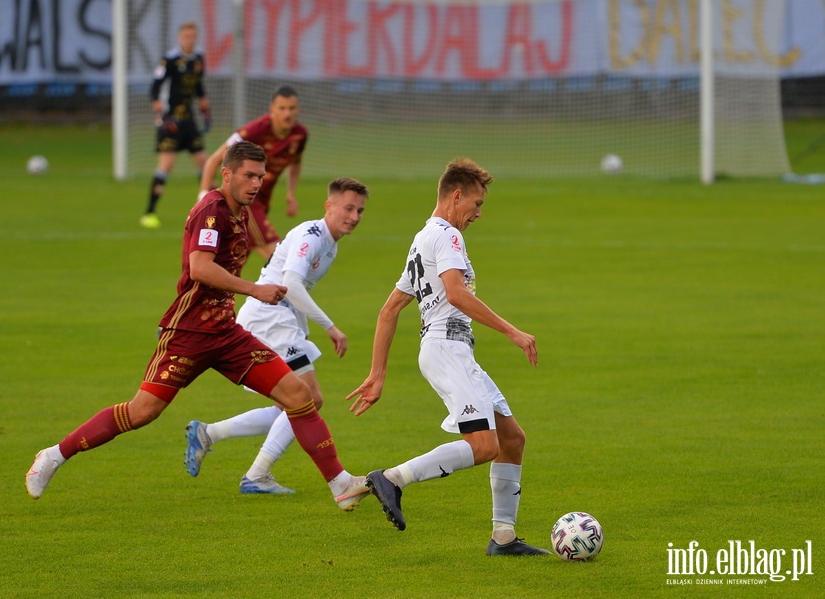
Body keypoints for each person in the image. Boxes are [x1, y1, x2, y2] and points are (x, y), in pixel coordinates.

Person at [27, 142, 370, 513]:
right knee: (142, 412)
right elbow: (200, 268)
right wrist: (256, 289)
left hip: (227, 333)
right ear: (227, 174)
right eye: (249, 175)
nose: (256, 183)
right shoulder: (212, 210)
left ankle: (340, 484)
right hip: (189, 332)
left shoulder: (242, 212)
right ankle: (54, 455)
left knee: (299, 396)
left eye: (260, 176)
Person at [345, 158, 551, 556]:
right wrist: (513, 331)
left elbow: (389, 310)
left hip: (452, 350)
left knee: (512, 439)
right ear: (456, 196)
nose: (477, 213)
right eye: (476, 203)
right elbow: (456, 294)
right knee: (484, 445)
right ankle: (391, 478)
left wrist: (377, 374)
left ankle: (504, 539)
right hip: (447, 349)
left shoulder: (424, 238)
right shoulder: (447, 237)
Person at [184, 177, 369, 497]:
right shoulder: (313, 235)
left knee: (296, 402)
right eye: (348, 208)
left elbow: (296, 290)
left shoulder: (330, 243)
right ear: (329, 206)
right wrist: (330, 327)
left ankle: (209, 434)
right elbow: (291, 284)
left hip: (278, 318)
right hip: (270, 317)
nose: (354, 216)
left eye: (360, 211)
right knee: (308, 400)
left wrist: (303, 331)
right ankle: (257, 473)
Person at [199, 85, 307, 258]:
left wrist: (291, 194)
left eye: (292, 108)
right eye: (282, 108)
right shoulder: (254, 131)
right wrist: (203, 196)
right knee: (278, 255)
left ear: (298, 109)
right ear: (272, 109)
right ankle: (295, 285)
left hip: (263, 201)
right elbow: (214, 160)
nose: (287, 113)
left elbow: (295, 163)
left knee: (233, 260)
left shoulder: (300, 135)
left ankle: (208, 284)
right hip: (243, 200)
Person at [141, 21, 211, 229]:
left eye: (193, 36)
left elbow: (198, 84)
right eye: (186, 36)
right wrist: (158, 108)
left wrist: (202, 100)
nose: (190, 39)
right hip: (171, 120)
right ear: (180, 38)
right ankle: (149, 212)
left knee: (205, 164)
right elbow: (156, 86)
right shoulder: (170, 60)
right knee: (166, 165)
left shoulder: (198, 59)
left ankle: (212, 212)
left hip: (189, 120)